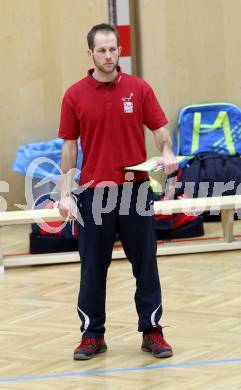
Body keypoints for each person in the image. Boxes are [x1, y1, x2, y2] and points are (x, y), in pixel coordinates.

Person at [58, 23, 178, 361]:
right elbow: (68, 147)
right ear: (90, 53)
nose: (109, 56)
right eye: (102, 50)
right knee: (93, 267)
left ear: (119, 49)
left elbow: (160, 129)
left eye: (113, 49)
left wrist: (166, 153)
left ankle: (152, 330)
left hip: (138, 190)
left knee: (146, 264)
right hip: (94, 195)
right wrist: (66, 193)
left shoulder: (139, 89)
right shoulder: (74, 95)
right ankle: (92, 334)